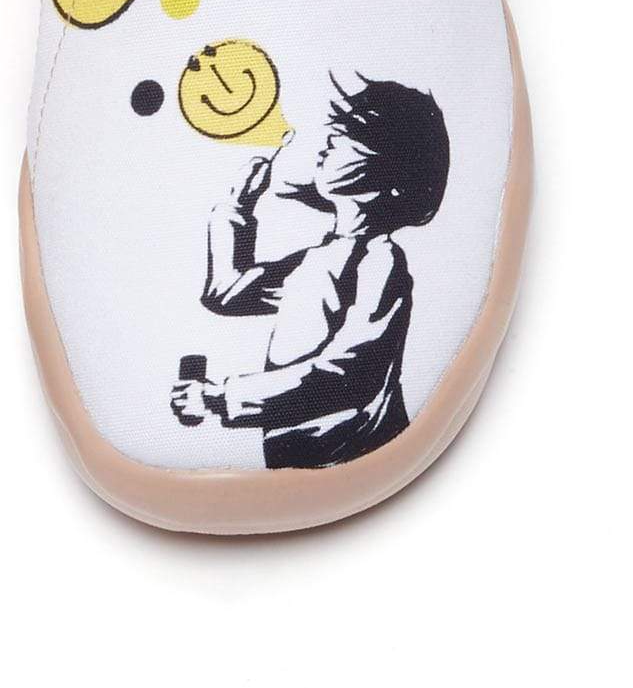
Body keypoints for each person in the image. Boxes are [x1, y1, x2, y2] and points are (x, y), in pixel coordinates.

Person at [169, 75, 450, 469]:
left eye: (353, 135)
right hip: (296, 457)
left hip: (353, 458)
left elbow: (348, 375)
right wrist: (238, 206)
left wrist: (221, 398)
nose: (333, 139)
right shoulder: (320, 258)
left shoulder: (379, 262)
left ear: (392, 180)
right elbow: (226, 293)